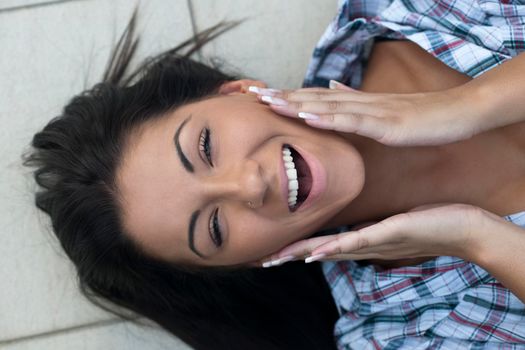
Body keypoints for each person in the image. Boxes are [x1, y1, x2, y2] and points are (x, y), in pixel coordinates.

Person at [22, 1, 525, 349]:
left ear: (238, 90)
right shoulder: (399, 331)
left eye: (205, 146)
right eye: (214, 228)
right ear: (248, 261)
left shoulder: (410, 12)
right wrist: (476, 239)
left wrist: (467, 106)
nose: (248, 186)